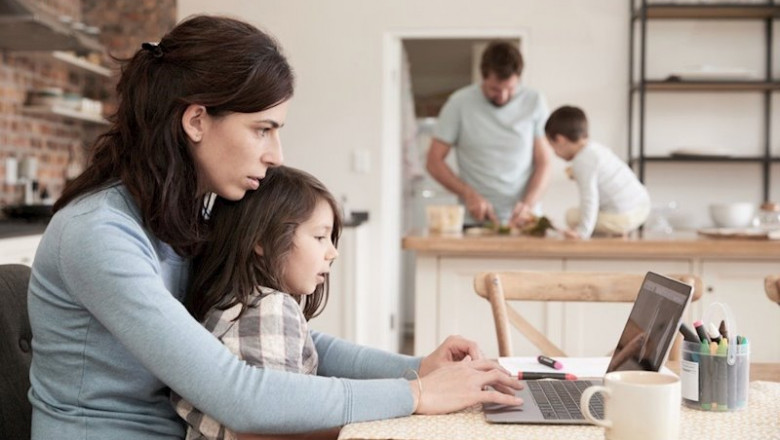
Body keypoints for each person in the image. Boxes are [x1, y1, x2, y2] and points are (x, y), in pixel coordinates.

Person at [27, 15, 523, 440]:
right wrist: (416, 394)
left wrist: (416, 368)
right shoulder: (101, 235)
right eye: (262, 129)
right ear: (196, 120)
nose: (275, 155)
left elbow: (294, 338)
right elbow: (237, 394)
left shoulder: (187, 216)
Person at [171, 165, 342, 440]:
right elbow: (268, 428)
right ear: (262, 239)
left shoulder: (229, 302)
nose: (332, 252)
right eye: (320, 237)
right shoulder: (270, 307)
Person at [426, 41, 552, 228]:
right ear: (483, 77)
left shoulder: (534, 101)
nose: (502, 96)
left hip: (524, 221)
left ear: (518, 78)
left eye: (510, 89)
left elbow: (544, 162)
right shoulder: (459, 103)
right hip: (474, 221)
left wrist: (528, 204)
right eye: (494, 89)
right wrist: (467, 193)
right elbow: (433, 161)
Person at [544, 105, 651, 239]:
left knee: (571, 216)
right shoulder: (596, 149)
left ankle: (614, 231)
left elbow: (589, 198)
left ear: (560, 140)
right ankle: (618, 232)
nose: (555, 153)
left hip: (625, 217)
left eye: (552, 146)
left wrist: (582, 232)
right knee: (598, 210)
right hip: (642, 206)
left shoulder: (582, 161)